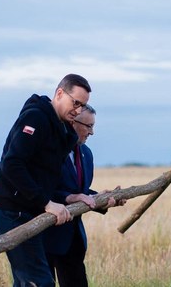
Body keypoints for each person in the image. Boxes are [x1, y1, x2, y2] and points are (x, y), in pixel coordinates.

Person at [0, 74, 92, 287]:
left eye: (83, 106)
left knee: (27, 281)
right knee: (40, 282)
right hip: (10, 211)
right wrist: (46, 203)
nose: (79, 110)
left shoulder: (62, 129)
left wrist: (72, 197)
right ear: (60, 93)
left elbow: (47, 177)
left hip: (28, 209)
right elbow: (12, 164)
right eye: (76, 103)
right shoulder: (36, 118)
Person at [43, 105, 126, 287]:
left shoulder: (86, 153)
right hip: (43, 235)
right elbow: (41, 188)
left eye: (93, 126)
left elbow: (81, 191)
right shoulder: (50, 149)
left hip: (73, 238)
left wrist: (102, 199)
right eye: (88, 126)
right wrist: (68, 198)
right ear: (72, 122)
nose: (92, 132)